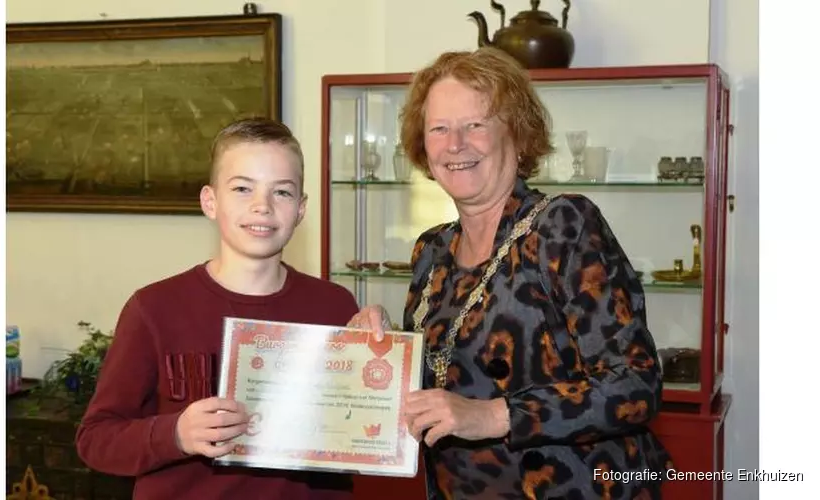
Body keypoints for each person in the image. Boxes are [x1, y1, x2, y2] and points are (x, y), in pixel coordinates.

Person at [349, 47, 673, 499]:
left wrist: (495, 415)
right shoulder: (432, 250)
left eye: (475, 124)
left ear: (517, 136)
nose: (455, 143)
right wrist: (385, 351)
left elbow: (635, 384)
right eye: (439, 128)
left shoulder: (563, 226)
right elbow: (442, 390)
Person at [76, 117, 359, 499]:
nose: (262, 207)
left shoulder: (334, 306)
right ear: (210, 201)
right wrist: (175, 434)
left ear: (301, 209)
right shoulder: (154, 308)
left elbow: (360, 426)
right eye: (243, 188)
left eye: (282, 193)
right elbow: (96, 439)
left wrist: (383, 353)